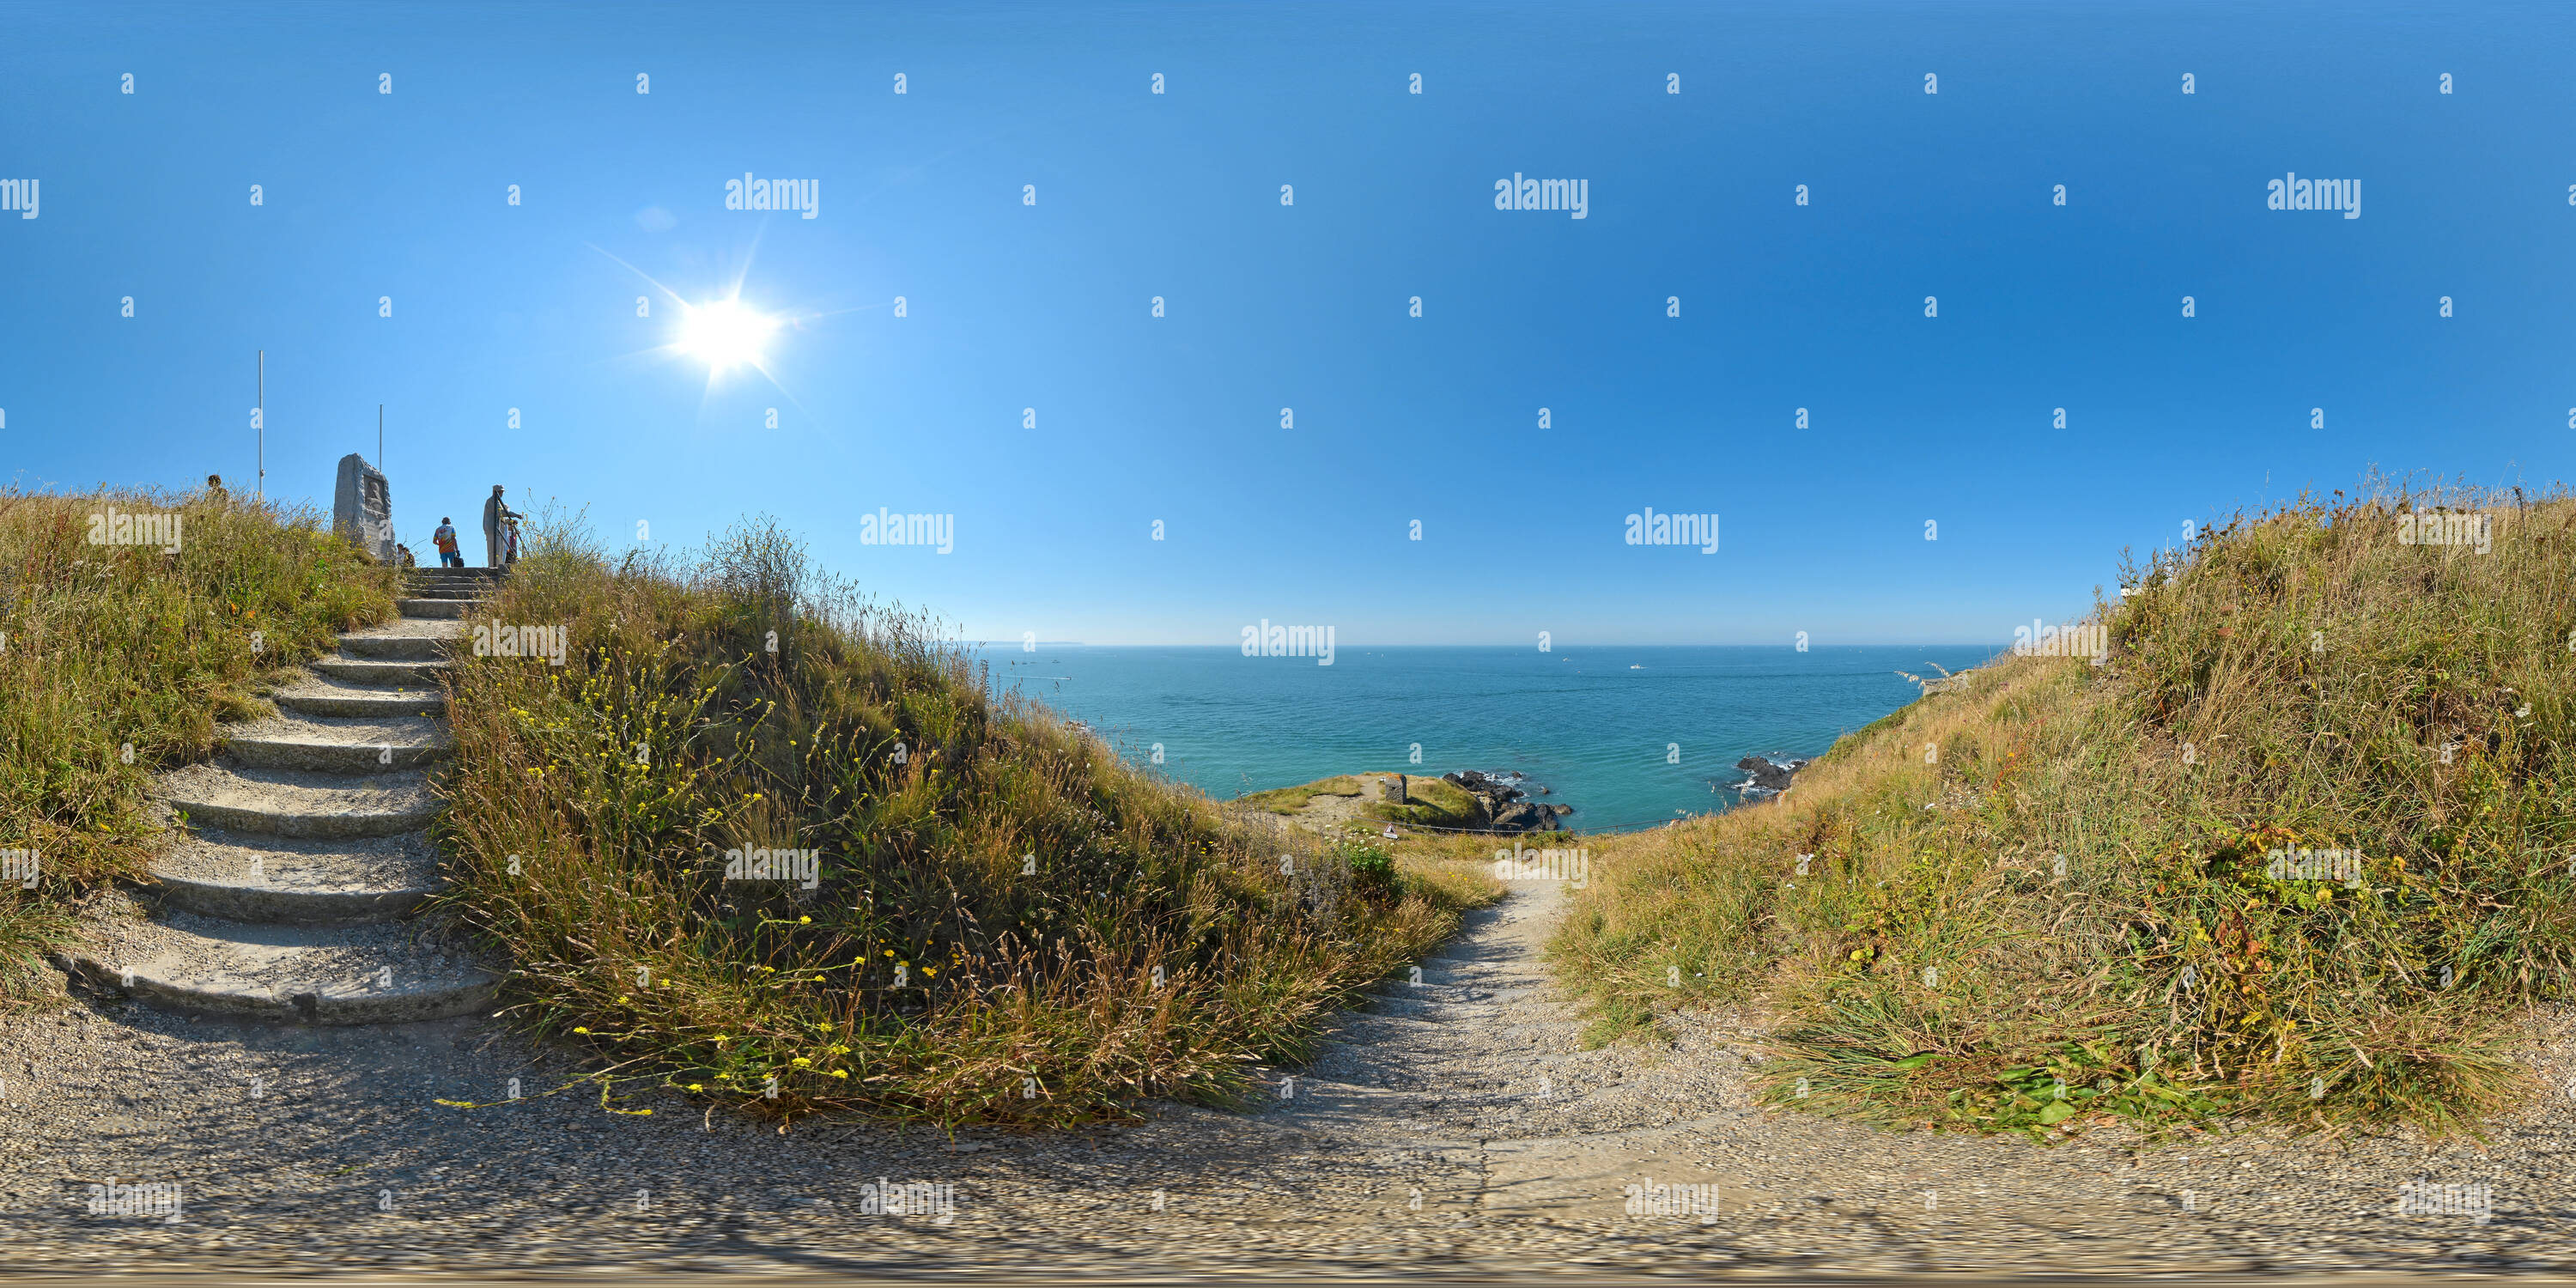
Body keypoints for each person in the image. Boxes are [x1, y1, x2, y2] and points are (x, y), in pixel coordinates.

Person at [482, 486, 521, 568]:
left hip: (497, 529)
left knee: (499, 550)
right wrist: (515, 515)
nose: (501, 493)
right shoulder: (492, 501)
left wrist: (510, 521)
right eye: (500, 492)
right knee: (493, 551)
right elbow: (501, 513)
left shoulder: (497, 501)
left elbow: (501, 518)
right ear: (495, 492)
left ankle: (497, 567)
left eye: (502, 492)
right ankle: (492, 567)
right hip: (492, 529)